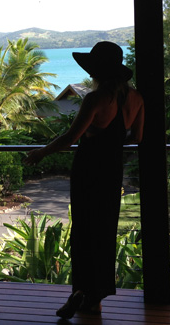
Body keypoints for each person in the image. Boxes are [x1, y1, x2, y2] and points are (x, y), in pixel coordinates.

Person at [24, 41, 144, 319]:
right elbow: (137, 137)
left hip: (88, 171)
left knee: (83, 233)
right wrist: (114, 141)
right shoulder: (136, 98)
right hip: (112, 172)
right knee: (104, 233)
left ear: (96, 71)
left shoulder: (96, 99)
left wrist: (41, 152)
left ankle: (79, 292)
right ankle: (95, 298)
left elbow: (70, 138)